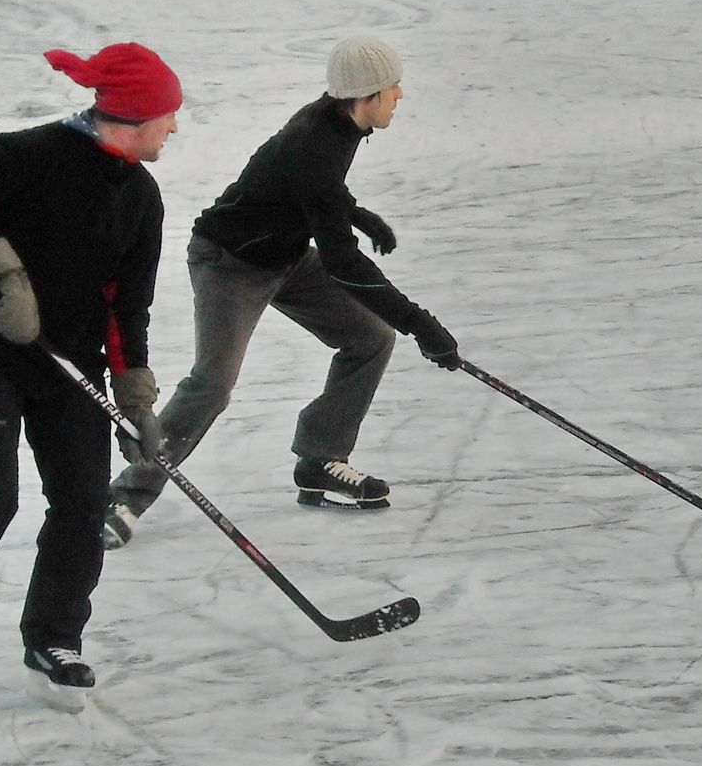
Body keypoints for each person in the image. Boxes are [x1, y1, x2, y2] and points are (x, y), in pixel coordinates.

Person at [102, 35, 459, 550]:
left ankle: (319, 459)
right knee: (214, 383)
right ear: (366, 94)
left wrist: (354, 213)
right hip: (230, 263)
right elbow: (343, 262)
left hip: (284, 256)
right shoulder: (315, 140)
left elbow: (306, 185)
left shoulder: (337, 123)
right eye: (391, 87)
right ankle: (125, 496)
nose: (399, 94)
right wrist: (421, 323)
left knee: (370, 339)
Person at [0, 43, 180, 717]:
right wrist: (4, 273)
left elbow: (128, 306)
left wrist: (137, 399)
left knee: (84, 502)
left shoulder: (142, 197)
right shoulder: (27, 156)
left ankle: (53, 640)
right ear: (136, 116)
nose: (175, 128)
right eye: (168, 116)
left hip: (70, 365)